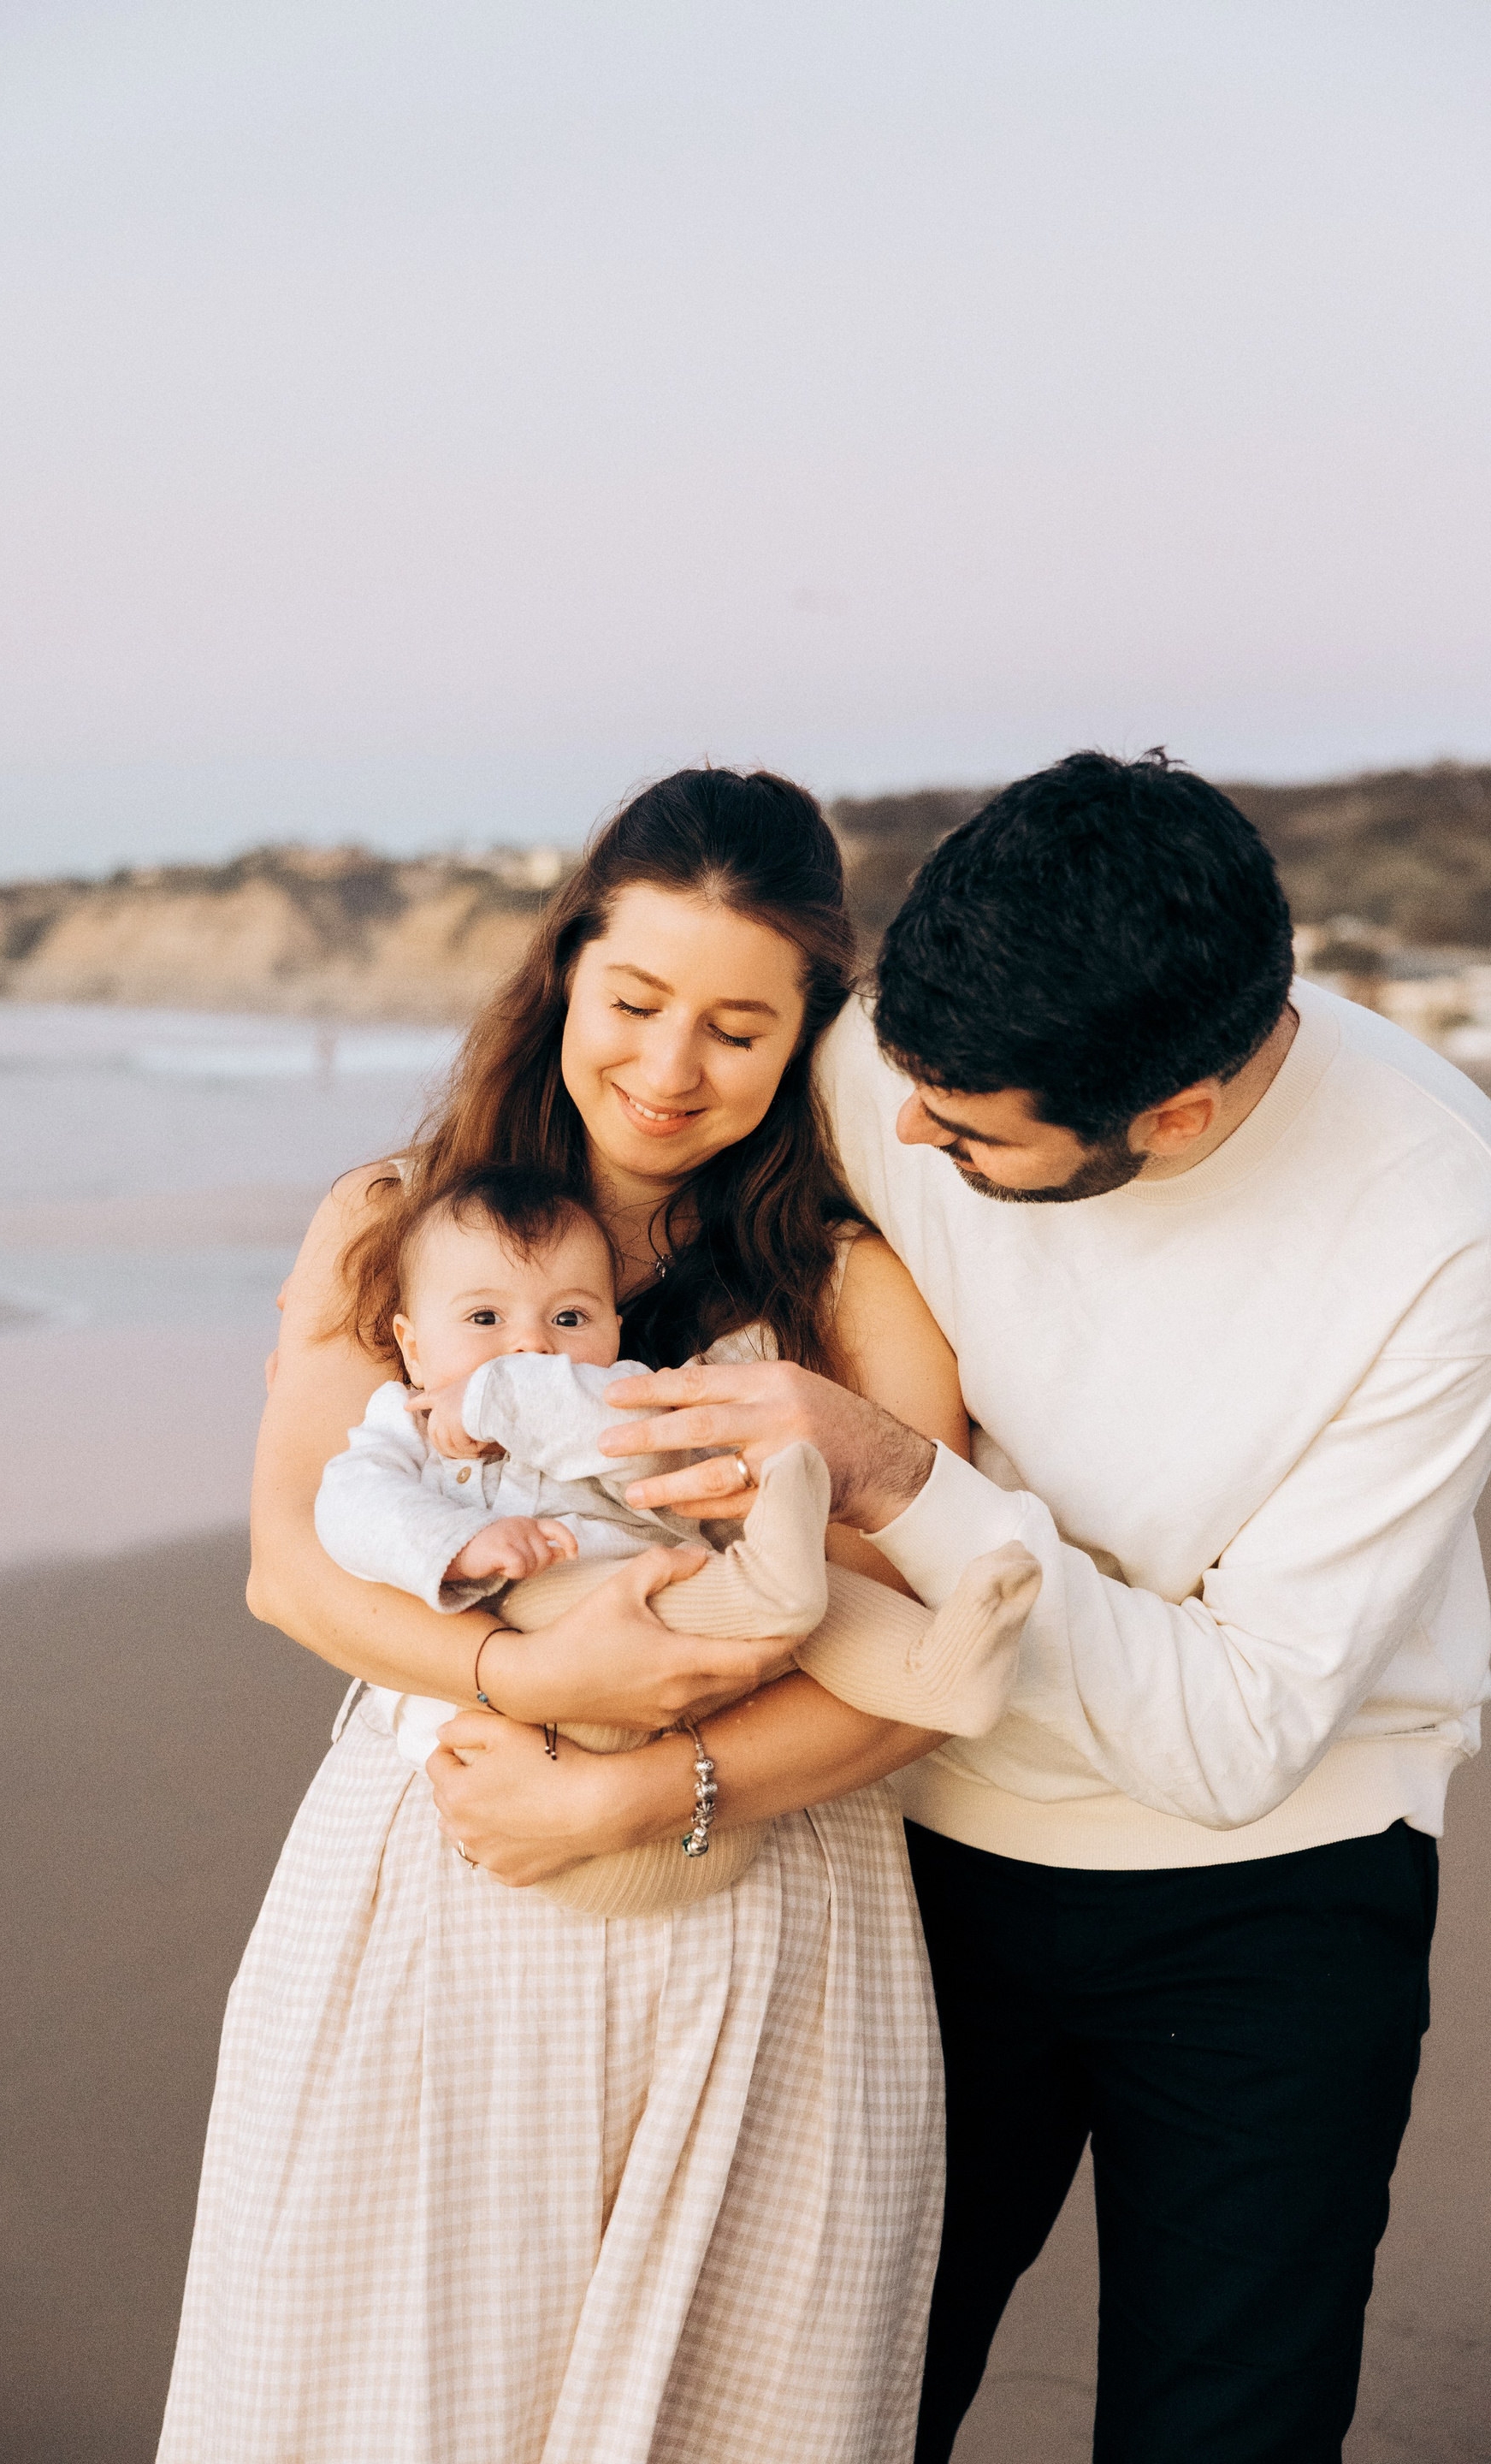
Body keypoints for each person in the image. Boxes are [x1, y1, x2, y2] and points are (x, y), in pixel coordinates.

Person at [524, 749, 1491, 2461]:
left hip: (1275, 1900)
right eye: (904, 1081)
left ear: (1173, 1118)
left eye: (968, 1136)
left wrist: (899, 1476)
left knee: (1229, 2431)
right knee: (828, 2410)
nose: (901, 1135)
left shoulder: (1438, 1228)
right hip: (902, 1839)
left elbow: (1234, 1741)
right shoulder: (889, 1062)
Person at [158, 767, 993, 2464]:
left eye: (738, 1030)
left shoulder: (852, 1286)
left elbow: (920, 1663)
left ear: (807, 1037)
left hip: (770, 1928)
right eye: (635, 1002)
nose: (671, 1068)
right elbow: (292, 1563)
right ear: (564, 979)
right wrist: (528, 1663)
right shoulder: (395, 1227)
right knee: (384, 2401)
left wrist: (639, 1791)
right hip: (441, 1889)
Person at [312, 1157, 1037, 1917]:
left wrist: (499, 1395)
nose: (531, 1347)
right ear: (413, 1345)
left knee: (822, 1599)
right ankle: (768, 1590)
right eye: (485, 1320)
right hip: (525, 1710)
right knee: (622, 1587)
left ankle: (935, 1674)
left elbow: (630, 1439)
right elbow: (349, 1508)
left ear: (613, 1330)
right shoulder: (402, 1425)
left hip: (685, 1715)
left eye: (569, 1320)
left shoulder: (618, 1394)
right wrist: (459, 1544)